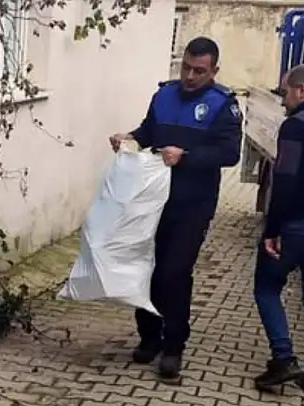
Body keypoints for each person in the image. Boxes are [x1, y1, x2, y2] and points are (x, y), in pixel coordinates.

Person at [109, 36, 243, 379]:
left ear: (214, 71)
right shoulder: (164, 95)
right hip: (153, 200)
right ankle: (149, 337)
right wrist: (129, 138)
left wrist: (187, 157)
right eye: (186, 68)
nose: (190, 76)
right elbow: (148, 131)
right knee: (148, 267)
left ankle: (173, 346)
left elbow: (230, 153)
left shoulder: (223, 105)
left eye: (199, 71)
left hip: (193, 204)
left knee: (174, 273)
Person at [252, 64, 304, 400]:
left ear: (302, 89)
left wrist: (272, 229)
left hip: (298, 224)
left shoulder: (296, 125)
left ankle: (284, 358)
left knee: (266, 286)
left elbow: (285, 179)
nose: (284, 99)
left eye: (286, 91)